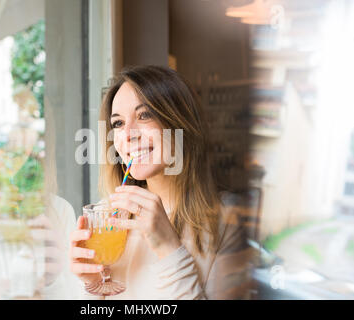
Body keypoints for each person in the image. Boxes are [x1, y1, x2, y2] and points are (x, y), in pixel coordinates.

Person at [69, 65, 254, 299]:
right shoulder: (109, 219)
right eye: (118, 123)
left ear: (180, 124)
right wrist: (93, 286)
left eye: (144, 115)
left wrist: (170, 249)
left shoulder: (229, 220)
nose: (127, 134)